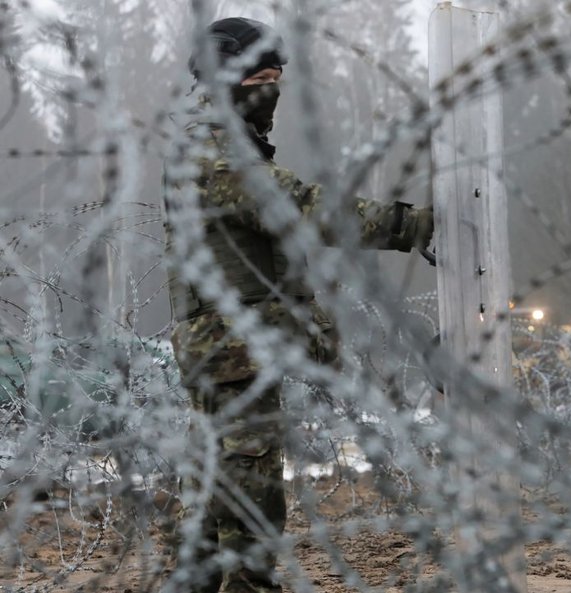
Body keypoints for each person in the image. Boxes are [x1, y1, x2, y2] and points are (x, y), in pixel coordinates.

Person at [162, 18, 433, 593]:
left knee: (221, 471)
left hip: (235, 340)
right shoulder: (207, 148)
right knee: (247, 473)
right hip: (230, 342)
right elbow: (296, 206)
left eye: (276, 79)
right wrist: (408, 225)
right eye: (260, 78)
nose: (272, 91)